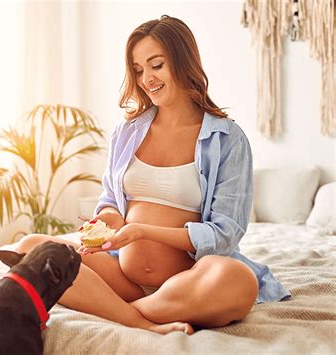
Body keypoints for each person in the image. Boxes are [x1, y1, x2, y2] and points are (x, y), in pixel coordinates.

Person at [15, 15, 290, 335]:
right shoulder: (127, 131)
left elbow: (224, 234)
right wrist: (109, 220)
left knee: (238, 281)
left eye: (156, 65)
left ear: (183, 61)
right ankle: (140, 319)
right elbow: (110, 199)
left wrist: (142, 231)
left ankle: (116, 311)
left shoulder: (226, 139)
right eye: (138, 69)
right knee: (30, 247)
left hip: (188, 280)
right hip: (122, 277)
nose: (146, 78)